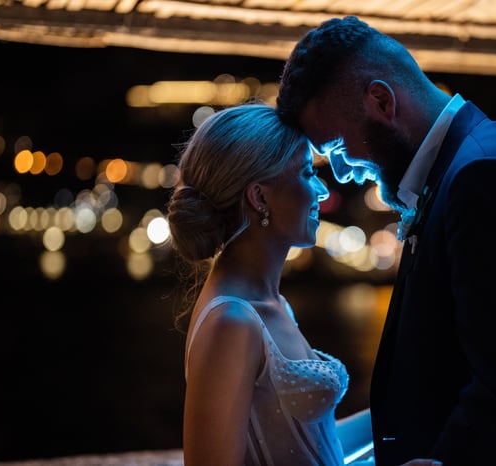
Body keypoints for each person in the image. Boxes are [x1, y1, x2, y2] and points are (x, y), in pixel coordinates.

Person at [275, 16, 496, 466]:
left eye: (338, 149)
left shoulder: (486, 178)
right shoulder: (468, 167)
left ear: (381, 100)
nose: (340, 172)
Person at [166, 103, 441, 466]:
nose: (322, 193)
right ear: (260, 197)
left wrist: (414, 410)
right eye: (308, 173)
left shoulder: (270, 303)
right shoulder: (231, 321)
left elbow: (307, 447)